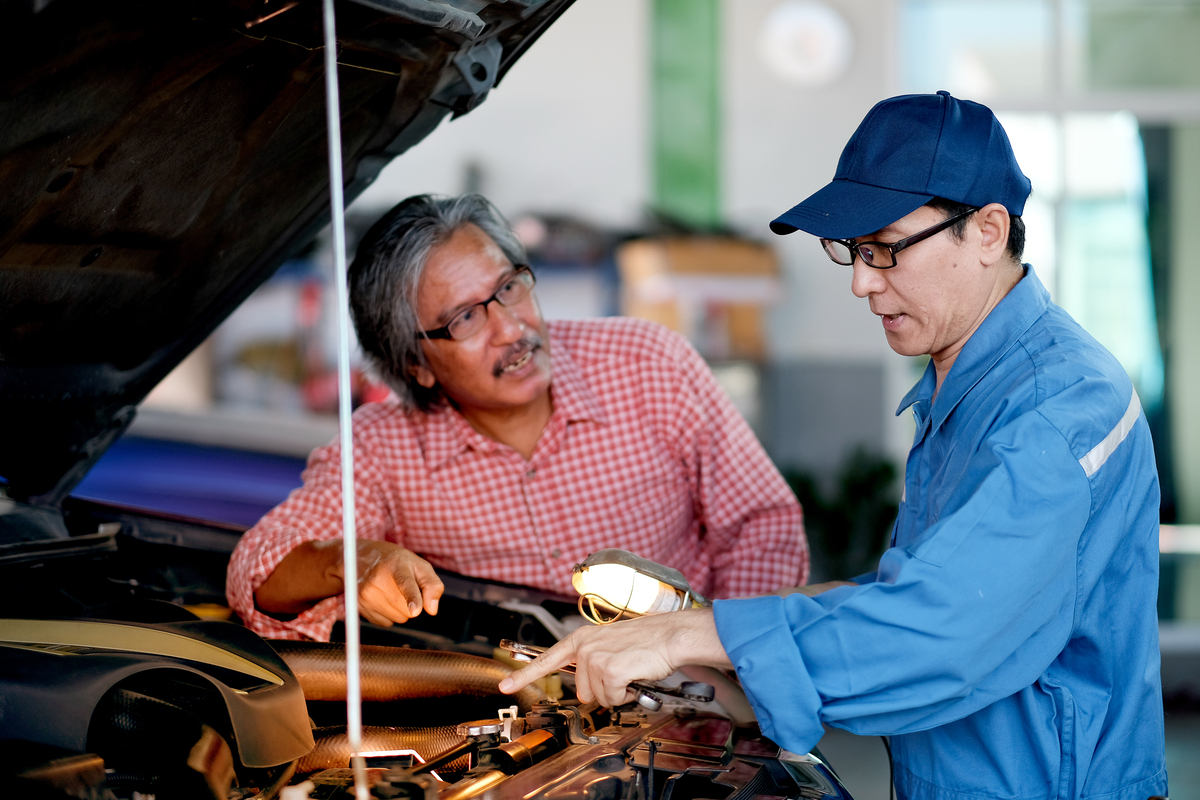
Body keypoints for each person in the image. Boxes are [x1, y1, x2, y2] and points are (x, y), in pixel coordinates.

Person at [501, 92, 1167, 799]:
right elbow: (907, 590)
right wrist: (715, 649)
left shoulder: (1058, 408)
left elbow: (941, 629)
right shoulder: (971, 384)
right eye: (851, 250)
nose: (860, 281)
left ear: (988, 230)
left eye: (886, 249)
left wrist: (689, 639)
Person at [226, 193, 808, 642]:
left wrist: (728, 668)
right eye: (465, 320)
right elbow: (256, 569)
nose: (511, 328)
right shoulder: (383, 451)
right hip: (521, 733)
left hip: (693, 717)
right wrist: (354, 562)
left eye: (509, 287)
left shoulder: (649, 365)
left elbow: (762, 529)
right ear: (416, 364)